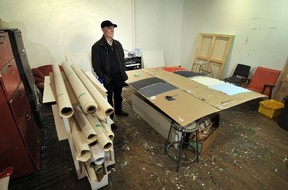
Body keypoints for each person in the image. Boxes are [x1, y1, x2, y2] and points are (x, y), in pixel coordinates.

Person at [91, 20, 129, 122]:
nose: (112, 30)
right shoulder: (97, 46)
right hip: (108, 77)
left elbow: (122, 59)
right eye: (109, 28)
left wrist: (122, 71)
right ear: (103, 30)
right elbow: (96, 65)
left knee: (118, 96)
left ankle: (119, 111)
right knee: (108, 99)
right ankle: (110, 119)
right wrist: (103, 76)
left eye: (113, 28)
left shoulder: (117, 44)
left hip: (119, 76)